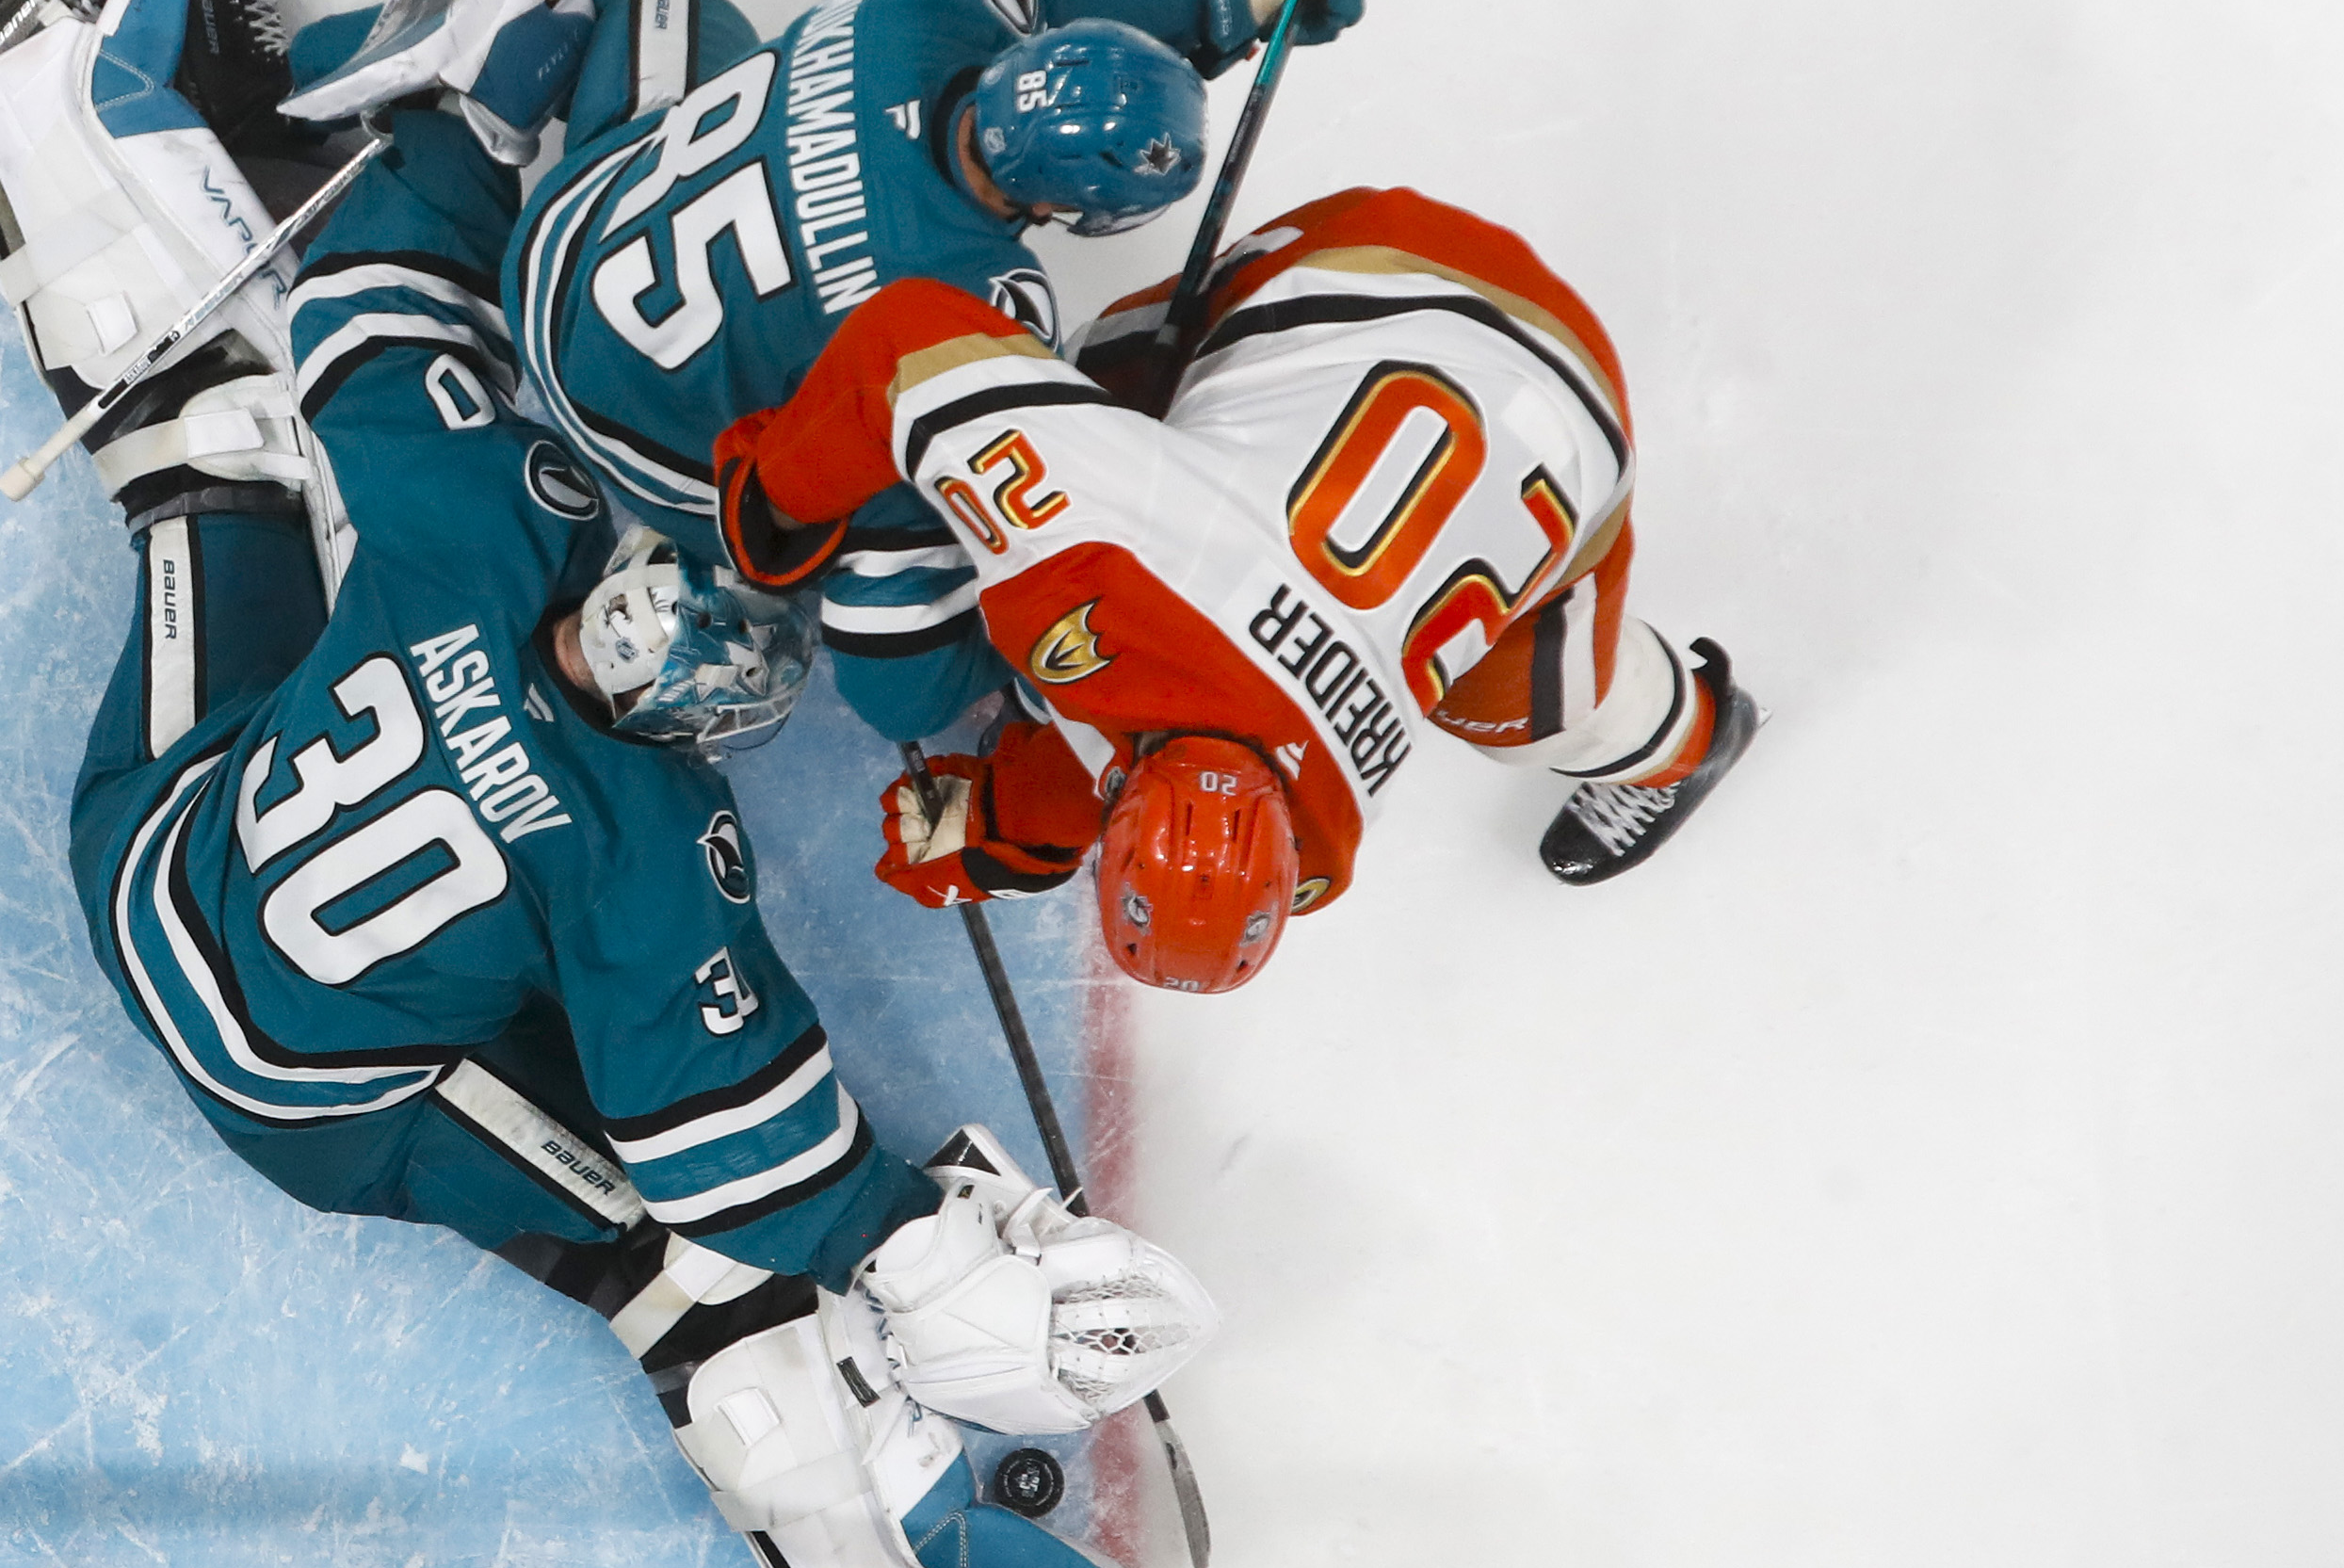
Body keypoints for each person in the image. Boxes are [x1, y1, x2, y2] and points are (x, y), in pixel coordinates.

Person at [0, 0, 1218, 1568]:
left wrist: (472, 109)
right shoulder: (636, 850)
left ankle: (33, 70)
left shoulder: (479, 529)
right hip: (315, 1084)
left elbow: (372, 301)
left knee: (222, 430)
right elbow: (740, 1162)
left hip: (156, 842)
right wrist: (931, 1254)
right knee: (693, 1281)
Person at [272, 0, 1385, 742]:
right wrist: (993, 673)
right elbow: (894, 660)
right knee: (800, 581)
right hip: (652, 461)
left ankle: (488, 91)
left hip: (565, 234)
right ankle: (643, 615)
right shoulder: (976, 306)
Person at [710, 186, 1766, 993]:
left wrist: (1015, 820)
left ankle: (1691, 727)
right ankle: (1686, 730)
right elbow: (908, 344)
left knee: (1531, 695)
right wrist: (772, 499)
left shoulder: (1322, 840)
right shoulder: (1096, 566)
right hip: (1388, 275)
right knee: (1108, 378)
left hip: (1562, 405)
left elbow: (1182, 726)